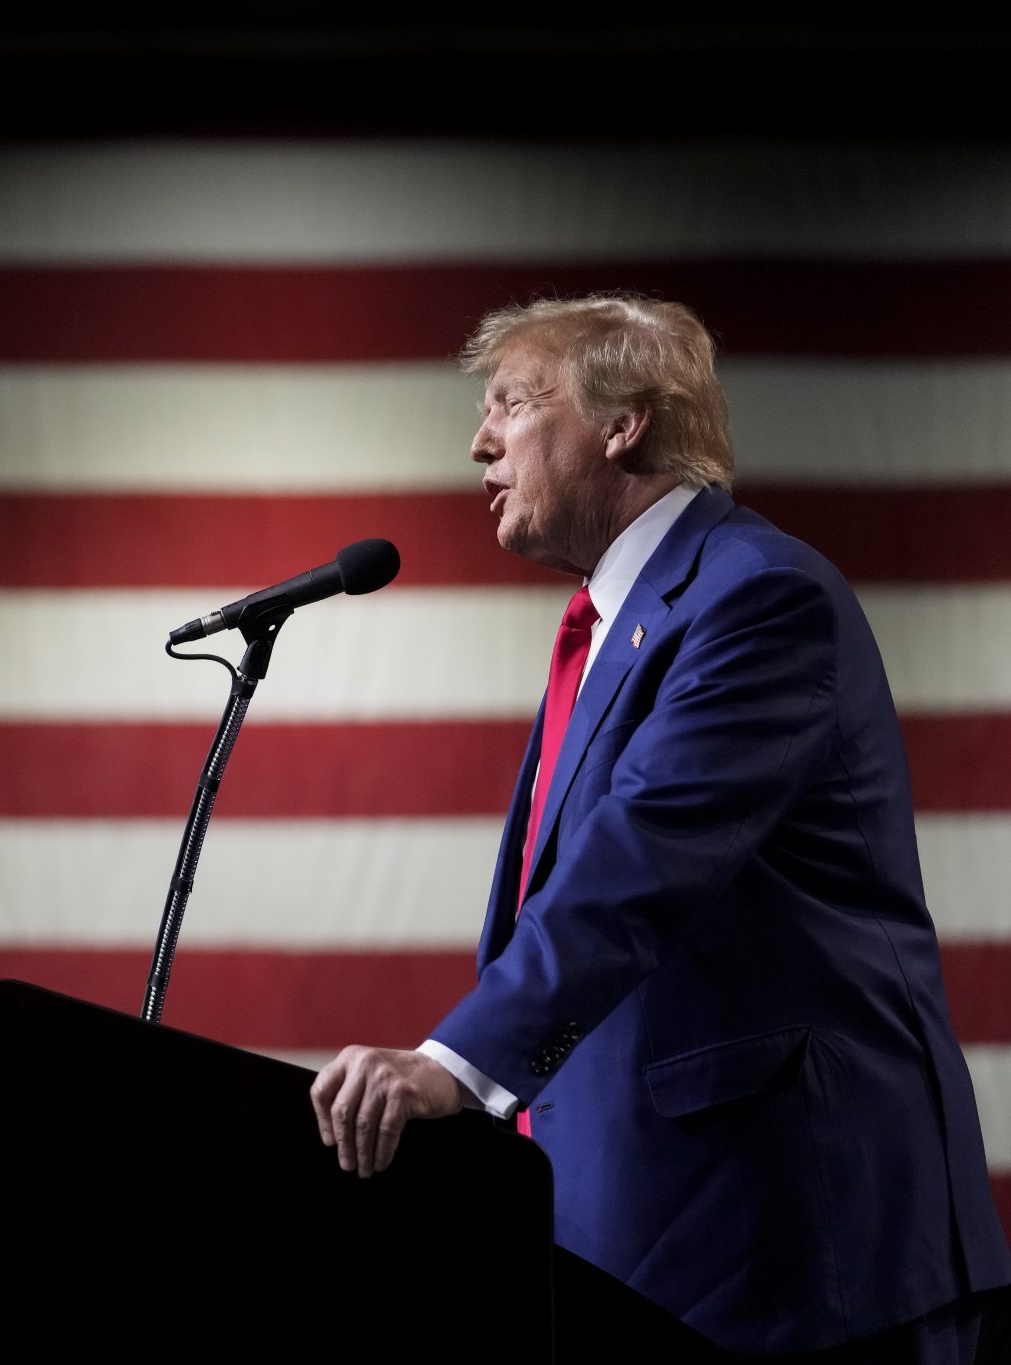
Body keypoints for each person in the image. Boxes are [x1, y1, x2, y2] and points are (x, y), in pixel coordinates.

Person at [308, 295, 1010, 1360]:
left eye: (509, 401)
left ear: (621, 420)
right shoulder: (613, 626)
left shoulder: (755, 598)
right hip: (653, 1242)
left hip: (798, 1242)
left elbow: (635, 864)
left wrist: (453, 1064)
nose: (477, 439)